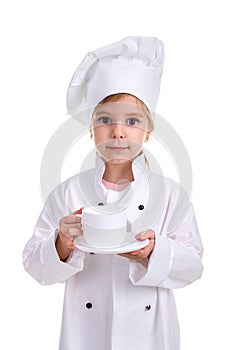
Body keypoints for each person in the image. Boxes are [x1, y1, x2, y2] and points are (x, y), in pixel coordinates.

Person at [23, 36, 204, 350]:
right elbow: (32, 263)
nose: (118, 132)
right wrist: (60, 244)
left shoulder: (170, 196)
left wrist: (154, 252)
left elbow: (194, 266)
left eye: (132, 121)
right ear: (91, 128)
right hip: (85, 333)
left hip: (149, 334)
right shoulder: (67, 193)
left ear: (148, 131)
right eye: (105, 120)